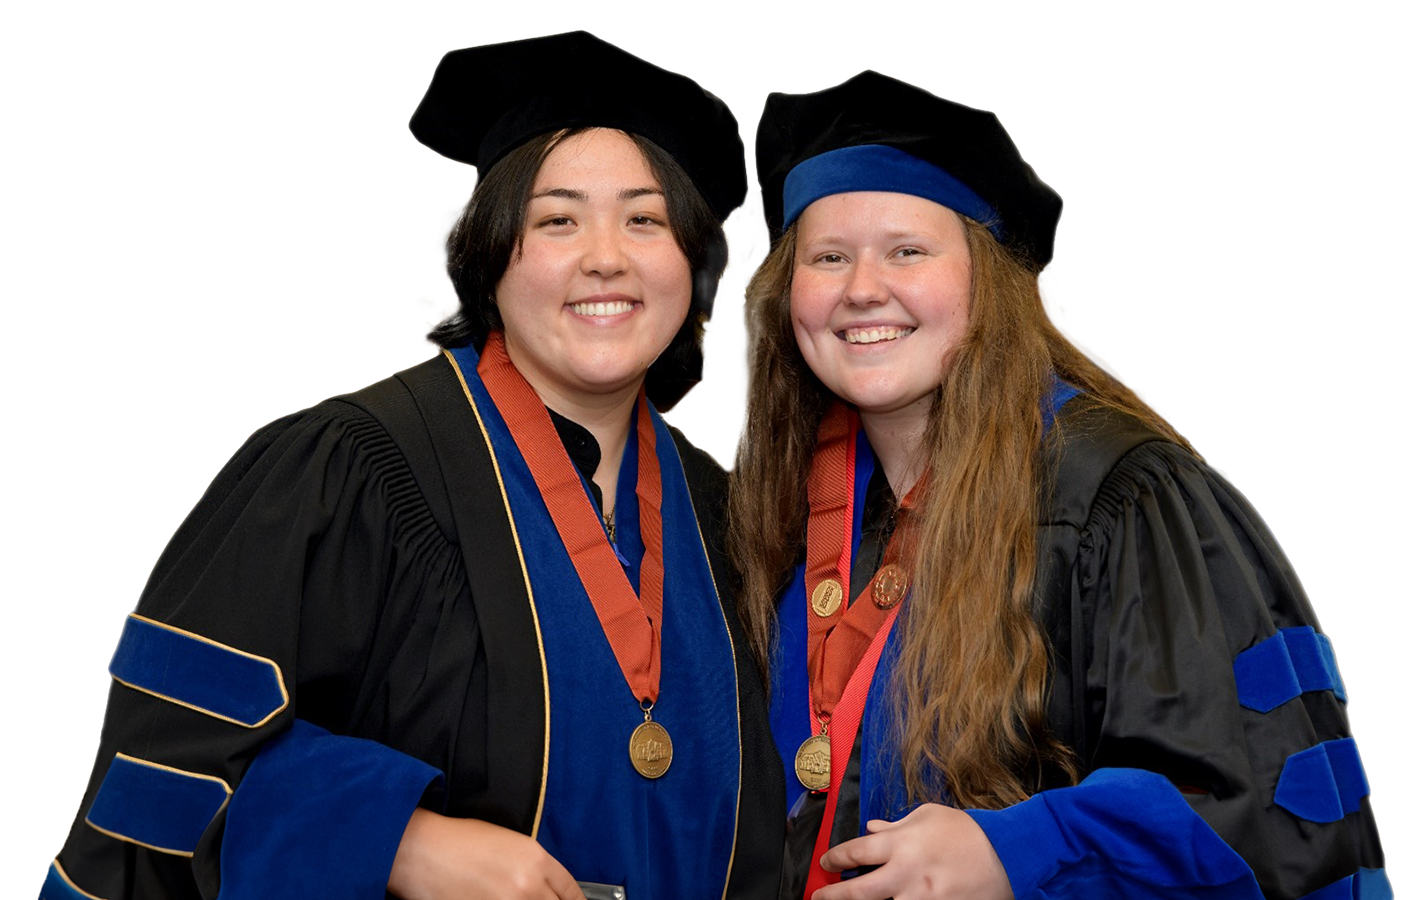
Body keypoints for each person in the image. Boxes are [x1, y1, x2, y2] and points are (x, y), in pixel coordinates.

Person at [41, 32, 782, 900]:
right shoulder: (347, 471)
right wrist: (394, 838)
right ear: (490, 253)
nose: (605, 256)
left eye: (645, 219)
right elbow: (161, 761)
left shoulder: (730, 520)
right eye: (556, 218)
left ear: (696, 262)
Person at [728, 70, 1389, 900]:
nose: (862, 288)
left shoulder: (1118, 494)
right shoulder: (776, 507)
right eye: (829, 257)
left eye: (907, 250)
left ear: (987, 284)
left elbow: (1250, 804)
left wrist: (1019, 852)